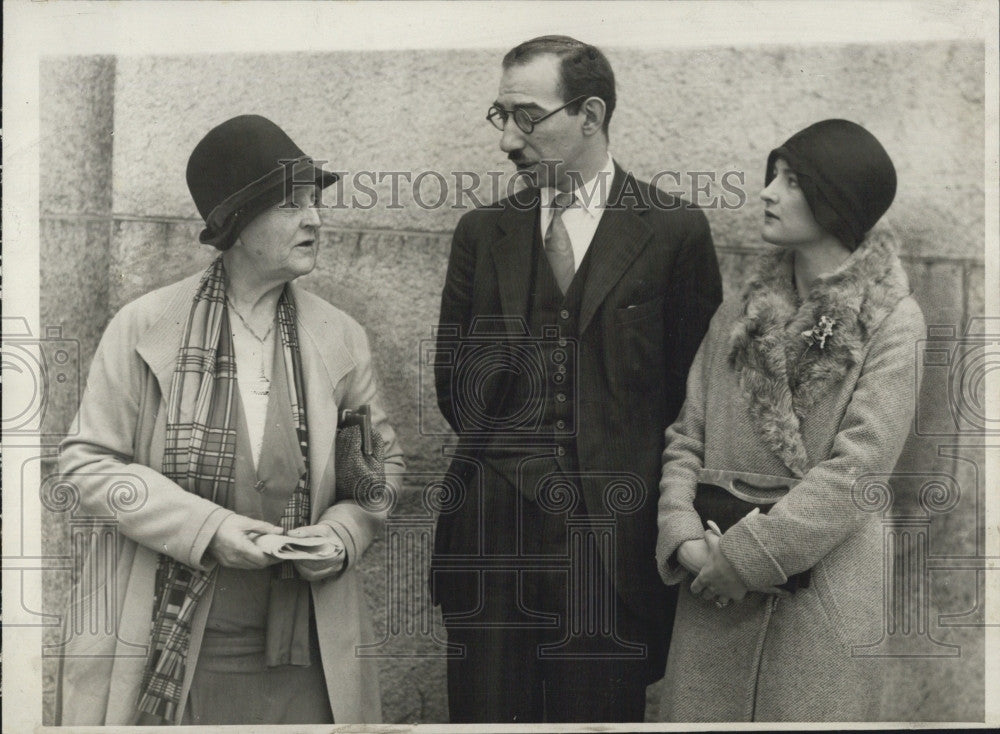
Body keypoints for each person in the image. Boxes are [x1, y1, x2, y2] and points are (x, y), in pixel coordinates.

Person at [56, 114, 404, 726]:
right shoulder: (145, 327)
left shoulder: (339, 337)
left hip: (307, 655)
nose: (316, 219)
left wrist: (344, 534)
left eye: (314, 201)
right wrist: (208, 529)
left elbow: (377, 471)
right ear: (238, 226)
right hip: (175, 639)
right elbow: (88, 464)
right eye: (292, 204)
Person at [431, 36, 722, 723]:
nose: (507, 138)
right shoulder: (483, 233)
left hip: (610, 550)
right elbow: (453, 383)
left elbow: (694, 398)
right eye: (499, 115)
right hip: (490, 544)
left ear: (589, 116)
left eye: (526, 116)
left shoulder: (673, 229)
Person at [655, 119, 925, 721]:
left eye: (792, 180)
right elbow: (685, 437)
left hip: (820, 600)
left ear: (838, 198)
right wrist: (685, 541)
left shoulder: (892, 320)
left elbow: (859, 470)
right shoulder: (738, 311)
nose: (768, 192)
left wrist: (744, 561)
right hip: (712, 595)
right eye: (773, 174)